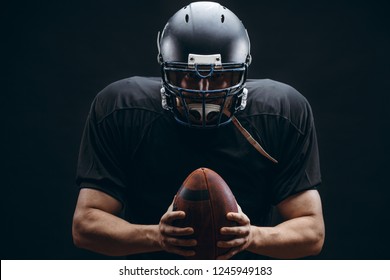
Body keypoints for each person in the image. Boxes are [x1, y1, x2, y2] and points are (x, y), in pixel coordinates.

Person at [72, 1, 325, 260]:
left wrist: (252, 236)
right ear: (166, 70)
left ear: (242, 72)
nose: (203, 90)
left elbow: (311, 231)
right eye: (189, 75)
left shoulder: (280, 113)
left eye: (217, 76)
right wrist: (156, 236)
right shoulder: (122, 110)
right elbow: (86, 225)